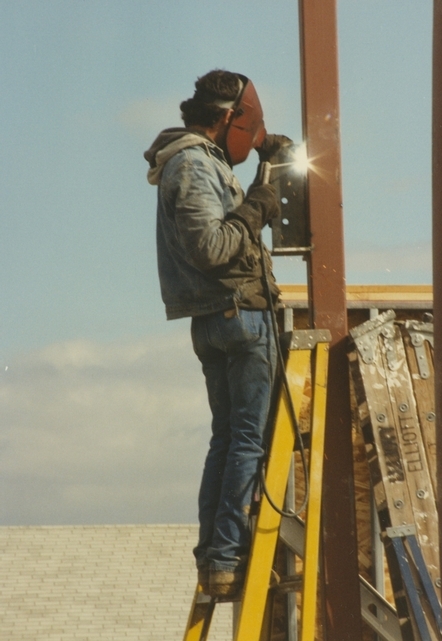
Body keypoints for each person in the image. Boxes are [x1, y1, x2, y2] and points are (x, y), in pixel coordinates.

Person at [144, 69, 290, 599]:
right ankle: (227, 552)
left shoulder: (194, 163)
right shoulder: (193, 165)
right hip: (239, 316)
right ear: (229, 117)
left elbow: (227, 227)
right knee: (247, 441)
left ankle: (217, 558)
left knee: (228, 440)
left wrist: (266, 164)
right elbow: (213, 247)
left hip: (218, 319)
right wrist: (258, 206)